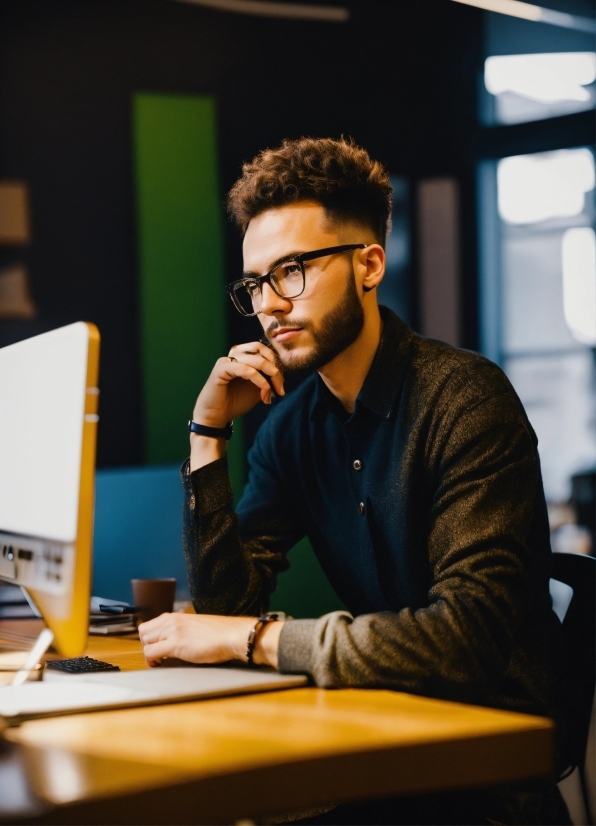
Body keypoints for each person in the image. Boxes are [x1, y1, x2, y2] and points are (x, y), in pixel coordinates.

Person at [138, 137, 568, 825]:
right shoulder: (295, 426)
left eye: (293, 271)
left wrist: (253, 641)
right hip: (382, 738)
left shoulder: (466, 400)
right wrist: (208, 432)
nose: (270, 304)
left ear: (369, 264)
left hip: (483, 775)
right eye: (256, 283)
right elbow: (229, 599)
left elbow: (464, 640)